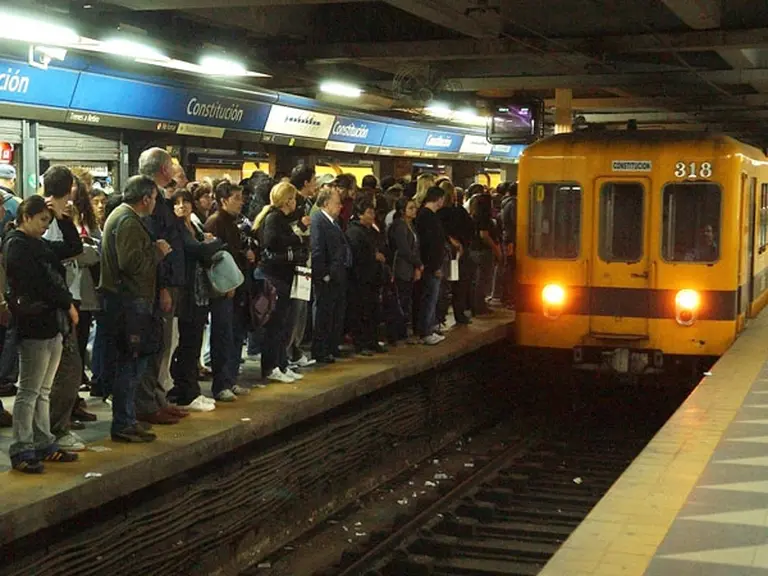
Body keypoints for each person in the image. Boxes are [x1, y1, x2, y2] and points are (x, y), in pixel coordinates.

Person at [5, 195, 82, 473]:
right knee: (29, 390)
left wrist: (64, 219)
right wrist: (66, 302)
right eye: (41, 220)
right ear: (26, 217)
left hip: (51, 324)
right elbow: (38, 284)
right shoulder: (17, 245)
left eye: (47, 222)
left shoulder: (38, 244)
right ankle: (22, 448)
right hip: (34, 325)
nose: (43, 226)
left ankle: (43, 441)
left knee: (43, 390)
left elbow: (74, 247)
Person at [100, 175, 172, 442]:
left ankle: (128, 419)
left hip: (130, 301)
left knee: (132, 364)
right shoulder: (128, 221)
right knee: (130, 365)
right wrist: (157, 252)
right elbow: (130, 263)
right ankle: (123, 423)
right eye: (154, 198)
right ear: (145, 199)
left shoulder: (123, 217)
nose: (155, 203)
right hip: (130, 303)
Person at [137, 148, 188, 424]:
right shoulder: (148, 203)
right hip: (159, 286)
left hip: (168, 281)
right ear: (164, 170)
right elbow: (157, 246)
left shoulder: (159, 200)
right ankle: (148, 403)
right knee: (155, 346)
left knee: (164, 345)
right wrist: (164, 286)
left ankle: (159, 398)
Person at [42, 167, 90, 452]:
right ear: (70, 187)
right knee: (66, 369)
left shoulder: (59, 217)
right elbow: (70, 249)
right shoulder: (49, 219)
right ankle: (54, 429)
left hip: (67, 298)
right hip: (59, 302)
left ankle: (57, 424)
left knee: (64, 368)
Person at [168, 189, 220, 411]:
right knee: (187, 344)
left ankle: (188, 389)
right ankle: (187, 392)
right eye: (177, 203)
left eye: (185, 202)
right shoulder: (176, 228)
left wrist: (209, 244)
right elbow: (198, 249)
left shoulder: (195, 225)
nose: (182, 206)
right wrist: (215, 244)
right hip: (186, 293)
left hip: (199, 292)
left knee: (194, 342)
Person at [205, 180, 255, 401]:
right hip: (225, 289)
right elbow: (215, 258)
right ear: (223, 200)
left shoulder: (233, 223)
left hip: (237, 285)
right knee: (223, 336)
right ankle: (221, 383)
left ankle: (231, 379)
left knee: (235, 335)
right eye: (236, 198)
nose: (241, 202)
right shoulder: (216, 222)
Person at [253, 182, 307, 383]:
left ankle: (281, 364)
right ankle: (271, 367)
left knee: (283, 324)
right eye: (292, 198)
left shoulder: (279, 218)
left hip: (282, 276)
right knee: (274, 325)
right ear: (286, 200)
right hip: (274, 277)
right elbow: (272, 241)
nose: (295, 202)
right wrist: (296, 241)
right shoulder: (274, 218)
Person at [310, 186, 351, 363]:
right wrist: (324, 274)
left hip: (338, 275)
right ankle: (321, 350)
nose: (341, 206)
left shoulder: (333, 222)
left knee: (335, 313)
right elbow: (317, 249)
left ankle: (332, 346)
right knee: (323, 313)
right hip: (327, 277)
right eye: (337, 203)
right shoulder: (318, 220)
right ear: (326, 203)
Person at [346, 196, 387, 356]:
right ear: (360, 214)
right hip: (360, 279)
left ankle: (372, 340)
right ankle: (361, 343)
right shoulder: (354, 231)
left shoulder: (371, 230)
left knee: (373, 311)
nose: (372, 216)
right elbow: (357, 255)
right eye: (369, 213)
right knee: (360, 312)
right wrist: (373, 255)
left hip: (373, 278)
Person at [286, 164, 317, 370]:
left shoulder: (306, 203)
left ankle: (295, 349)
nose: (315, 185)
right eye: (314, 180)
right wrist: (303, 227)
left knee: (301, 309)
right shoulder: (296, 205)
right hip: (296, 265)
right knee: (295, 309)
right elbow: (291, 232)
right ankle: (289, 352)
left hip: (305, 263)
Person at [415, 186, 447, 345]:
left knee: (429, 298)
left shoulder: (425, 215)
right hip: (430, 266)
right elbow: (430, 244)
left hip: (429, 265)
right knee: (429, 298)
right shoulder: (428, 217)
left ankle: (429, 327)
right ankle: (426, 331)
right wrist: (435, 267)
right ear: (439, 198)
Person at [388, 197, 423, 343]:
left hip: (409, 267)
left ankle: (403, 332)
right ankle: (398, 334)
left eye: (415, 208)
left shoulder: (410, 225)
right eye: (411, 208)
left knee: (406, 300)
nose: (414, 210)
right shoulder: (399, 226)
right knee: (401, 300)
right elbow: (404, 249)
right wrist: (418, 264)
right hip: (401, 267)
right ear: (403, 211)